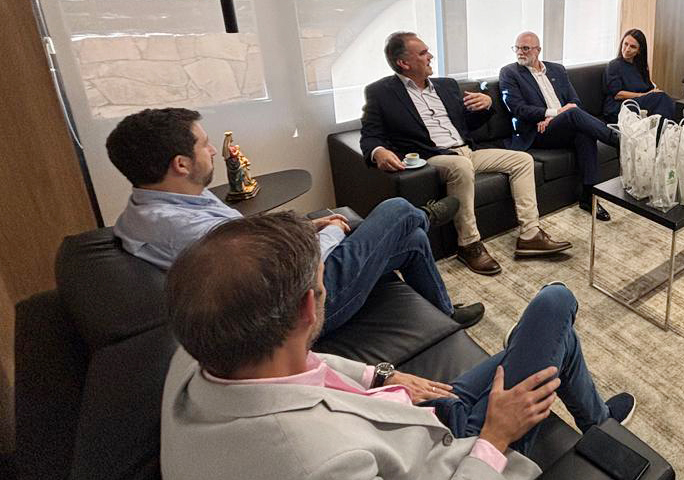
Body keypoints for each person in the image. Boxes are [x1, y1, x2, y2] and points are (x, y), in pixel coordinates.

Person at [160, 212, 637, 479]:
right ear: (308, 307)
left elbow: (301, 361)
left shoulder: (201, 350)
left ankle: (598, 423)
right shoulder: (316, 464)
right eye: (324, 280)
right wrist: (496, 436)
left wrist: (380, 375)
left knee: (547, 333)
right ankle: (600, 425)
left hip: (416, 410)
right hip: (460, 450)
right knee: (555, 305)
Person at [106, 108, 483, 333]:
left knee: (411, 239)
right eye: (204, 145)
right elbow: (290, 269)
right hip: (302, 307)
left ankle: (445, 313)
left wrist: (306, 226)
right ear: (181, 164)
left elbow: (248, 236)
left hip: (285, 285)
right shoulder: (183, 229)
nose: (213, 152)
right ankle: (423, 216)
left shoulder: (160, 202)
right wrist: (331, 233)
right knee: (397, 209)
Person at [361, 31, 572, 276]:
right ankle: (468, 244)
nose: (430, 56)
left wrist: (486, 106)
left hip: (467, 151)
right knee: (461, 167)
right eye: (423, 53)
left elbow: (467, 124)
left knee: (523, 160)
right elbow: (370, 135)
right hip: (433, 157)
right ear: (404, 63)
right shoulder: (381, 93)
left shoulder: (446, 86)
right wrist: (378, 151)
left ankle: (530, 235)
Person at [499, 31, 619, 222]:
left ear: (538, 50)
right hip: (536, 131)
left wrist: (559, 115)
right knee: (573, 114)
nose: (520, 52)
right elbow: (517, 108)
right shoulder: (509, 73)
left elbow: (574, 101)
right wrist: (553, 113)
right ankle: (620, 141)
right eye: (517, 48)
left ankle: (588, 196)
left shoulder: (557, 70)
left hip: (560, 125)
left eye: (525, 48)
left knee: (584, 133)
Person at [604, 29, 676, 123]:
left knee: (668, 101)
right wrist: (645, 95)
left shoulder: (640, 66)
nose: (627, 49)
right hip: (619, 107)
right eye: (625, 44)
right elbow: (618, 95)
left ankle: (662, 127)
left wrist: (652, 92)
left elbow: (648, 88)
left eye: (633, 47)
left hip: (638, 103)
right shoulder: (614, 65)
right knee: (661, 98)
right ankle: (662, 128)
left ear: (639, 51)